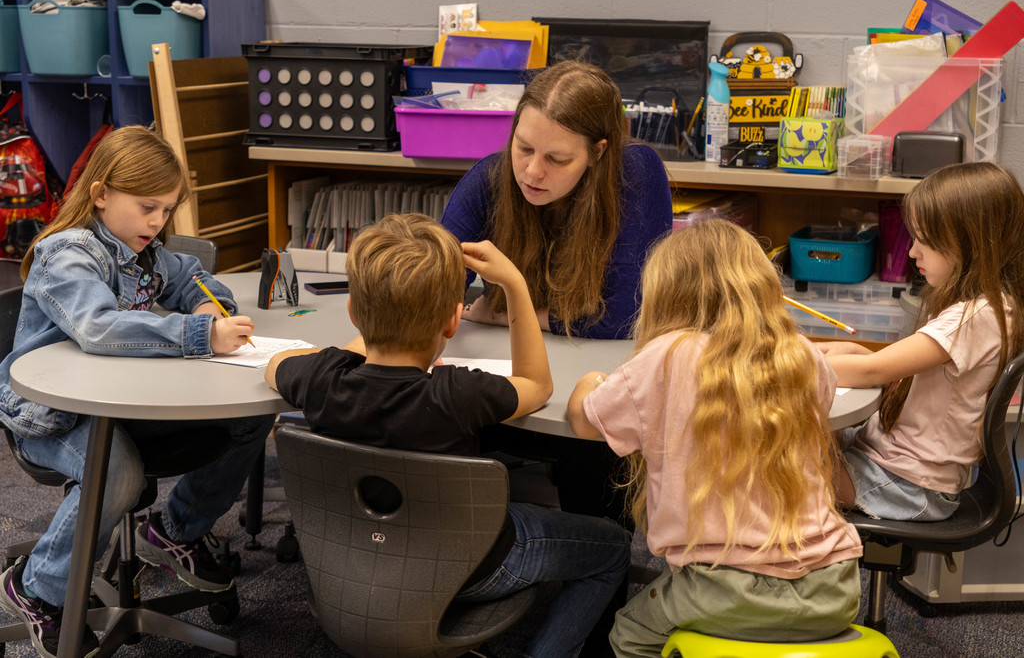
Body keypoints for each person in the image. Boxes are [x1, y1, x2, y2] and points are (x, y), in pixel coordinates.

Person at [265, 213, 631, 658]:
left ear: (353, 313)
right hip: (470, 569)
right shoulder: (457, 392)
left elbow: (276, 364)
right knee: (612, 547)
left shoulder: (319, 377)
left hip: (350, 558)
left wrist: (368, 333)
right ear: (453, 321)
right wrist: (515, 284)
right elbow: (538, 386)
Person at [0, 125, 275, 658]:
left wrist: (204, 305)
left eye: (167, 210)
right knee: (118, 471)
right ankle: (36, 587)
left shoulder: (141, 248)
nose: (158, 221)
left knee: (251, 415)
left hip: (120, 403)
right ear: (101, 194)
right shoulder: (68, 254)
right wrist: (199, 334)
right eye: (148, 206)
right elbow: (99, 326)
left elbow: (192, 274)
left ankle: (175, 532)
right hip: (51, 415)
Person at [567, 220, 863, 656]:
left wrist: (591, 381)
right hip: (835, 586)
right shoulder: (800, 353)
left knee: (628, 635)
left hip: (724, 591)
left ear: (666, 292)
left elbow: (584, 422)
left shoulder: (666, 355)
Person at [818, 162, 1024, 522]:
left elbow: (872, 370)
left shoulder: (978, 316)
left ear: (971, 243)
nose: (913, 252)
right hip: (891, 461)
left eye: (926, 241)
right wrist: (828, 352)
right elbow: (890, 365)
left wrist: (784, 360)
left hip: (907, 484)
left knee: (761, 468)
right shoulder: (981, 307)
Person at [441, 60, 672, 340]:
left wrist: (507, 315)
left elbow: (629, 315)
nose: (533, 171)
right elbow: (436, 290)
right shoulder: (487, 178)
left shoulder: (636, 171)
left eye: (557, 159)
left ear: (597, 153)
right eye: (524, 147)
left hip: (602, 361)